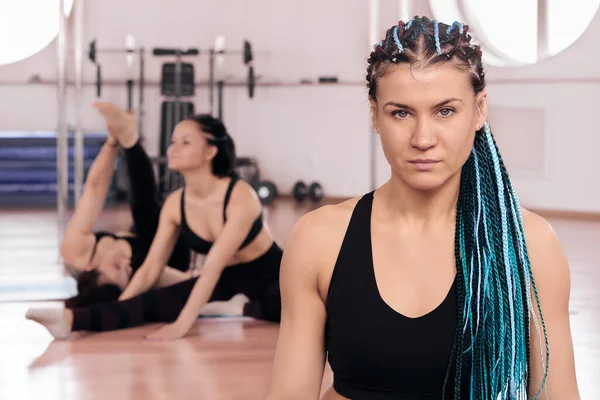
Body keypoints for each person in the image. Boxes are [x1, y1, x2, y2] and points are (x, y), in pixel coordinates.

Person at [266, 16, 580, 400]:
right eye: (401, 113)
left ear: (479, 110)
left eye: (445, 111)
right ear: (374, 114)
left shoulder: (530, 246)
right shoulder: (319, 240)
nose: (423, 138)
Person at [27, 102, 282, 341]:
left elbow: (213, 265)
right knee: (155, 302)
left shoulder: (240, 196)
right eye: (173, 142)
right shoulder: (175, 203)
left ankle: (240, 307)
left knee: (288, 309)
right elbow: (150, 269)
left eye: (185, 142)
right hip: (228, 278)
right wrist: (121, 308)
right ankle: (70, 320)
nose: (173, 148)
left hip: (273, 275)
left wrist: (181, 327)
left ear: (211, 152)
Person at [61, 102, 192, 308]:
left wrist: (113, 141)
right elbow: (194, 285)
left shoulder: (75, 251)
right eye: (126, 272)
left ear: (89, 266)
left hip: (140, 235)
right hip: (172, 256)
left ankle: (127, 134)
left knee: (144, 213)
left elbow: (95, 189)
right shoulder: (138, 270)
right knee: (145, 211)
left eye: (116, 265)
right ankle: (130, 139)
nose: (126, 264)